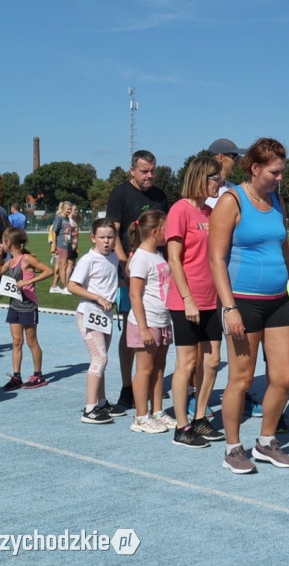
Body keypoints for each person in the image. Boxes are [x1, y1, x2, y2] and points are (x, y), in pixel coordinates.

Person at [209, 137, 289, 474]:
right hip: (243, 303)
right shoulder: (231, 200)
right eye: (275, 172)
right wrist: (229, 307)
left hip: (278, 302)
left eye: (282, 171)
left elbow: (284, 252)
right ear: (255, 168)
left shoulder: (277, 201)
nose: (280, 178)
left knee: (283, 378)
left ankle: (266, 441)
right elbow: (217, 258)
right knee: (242, 378)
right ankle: (233, 448)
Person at [166, 156, 226, 448]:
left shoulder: (210, 212)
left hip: (212, 298)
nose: (220, 183)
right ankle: (182, 426)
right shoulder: (180, 210)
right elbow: (174, 260)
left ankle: (201, 418)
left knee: (212, 361)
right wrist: (188, 298)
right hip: (186, 300)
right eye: (215, 178)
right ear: (201, 178)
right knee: (187, 363)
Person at [107, 150, 169, 411]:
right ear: (132, 170)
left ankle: (150, 389)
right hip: (129, 269)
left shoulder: (160, 196)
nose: (149, 176)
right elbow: (114, 231)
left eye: (152, 170)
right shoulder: (120, 193)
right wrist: (125, 266)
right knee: (132, 326)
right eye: (144, 171)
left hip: (156, 270)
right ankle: (127, 386)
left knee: (155, 324)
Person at [68, 219, 125, 424]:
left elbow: (113, 280)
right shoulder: (87, 260)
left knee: (102, 359)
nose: (106, 241)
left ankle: (101, 402)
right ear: (93, 238)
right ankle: (89, 408)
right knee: (99, 359)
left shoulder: (113, 258)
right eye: (102, 237)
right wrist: (97, 298)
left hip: (105, 316)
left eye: (110, 237)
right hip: (89, 313)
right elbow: (72, 286)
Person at [126, 211, 175, 434]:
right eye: (167, 228)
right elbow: (135, 295)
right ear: (155, 232)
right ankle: (140, 416)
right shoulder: (141, 258)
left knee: (159, 368)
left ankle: (157, 411)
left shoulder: (158, 254)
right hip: (146, 322)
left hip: (162, 319)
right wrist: (143, 328)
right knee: (145, 369)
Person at [0, 228, 54, 390]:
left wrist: (27, 282)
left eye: (3, 241)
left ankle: (38, 374)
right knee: (16, 341)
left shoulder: (26, 259)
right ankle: (16, 376)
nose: (1, 244)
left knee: (31, 340)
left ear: (9, 243)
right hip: (14, 305)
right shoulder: (10, 261)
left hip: (28, 306)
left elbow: (49, 271)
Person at [204, 138, 247, 209]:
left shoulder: (235, 188)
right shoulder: (202, 190)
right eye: (234, 157)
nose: (237, 161)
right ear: (220, 157)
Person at [49, 202, 74, 294]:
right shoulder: (59, 218)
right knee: (63, 266)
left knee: (60, 266)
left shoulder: (67, 218)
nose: (69, 211)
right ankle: (65, 287)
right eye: (68, 209)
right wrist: (54, 245)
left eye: (70, 209)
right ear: (63, 208)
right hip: (61, 245)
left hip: (66, 245)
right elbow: (54, 232)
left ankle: (54, 286)